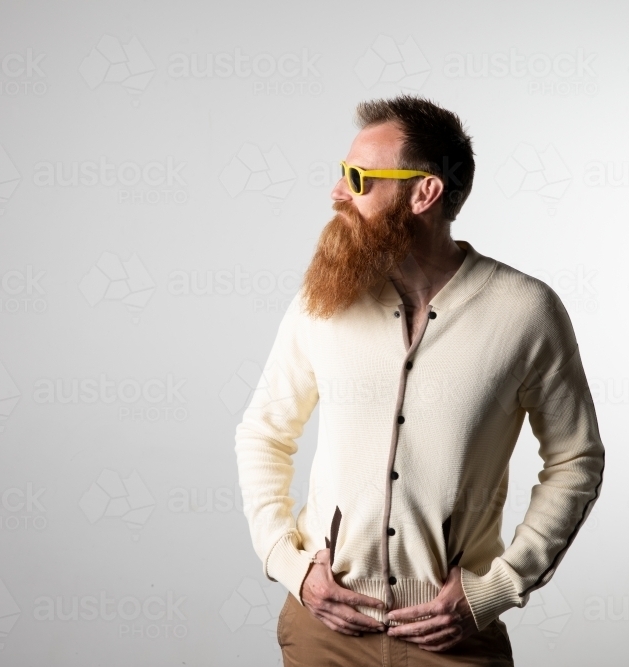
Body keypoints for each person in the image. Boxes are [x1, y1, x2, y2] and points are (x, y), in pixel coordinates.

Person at [234, 94, 605, 666]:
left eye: (358, 179)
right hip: (324, 631)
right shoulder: (322, 301)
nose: (337, 193)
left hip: (453, 641)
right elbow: (264, 432)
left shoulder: (526, 311)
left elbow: (576, 460)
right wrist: (289, 564)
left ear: (423, 193)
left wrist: (498, 587)